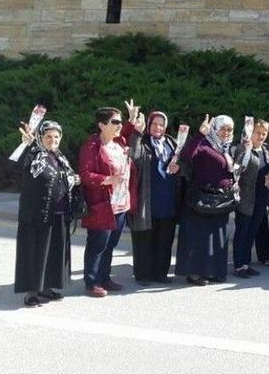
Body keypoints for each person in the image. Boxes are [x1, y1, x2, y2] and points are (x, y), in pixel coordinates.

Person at [13, 120, 78, 307]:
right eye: (48, 136)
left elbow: (65, 177)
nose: (53, 140)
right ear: (41, 137)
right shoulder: (34, 154)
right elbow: (18, 164)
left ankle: (46, 287)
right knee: (35, 253)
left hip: (58, 213)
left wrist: (74, 179)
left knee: (53, 253)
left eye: (56, 136)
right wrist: (25, 144)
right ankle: (31, 292)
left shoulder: (59, 157)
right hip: (36, 215)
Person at [79, 107, 135, 298]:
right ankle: (92, 281)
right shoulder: (92, 146)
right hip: (102, 204)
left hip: (120, 203)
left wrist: (132, 119)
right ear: (102, 125)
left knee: (110, 244)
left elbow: (127, 132)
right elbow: (85, 174)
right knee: (97, 244)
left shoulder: (118, 142)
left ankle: (104, 278)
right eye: (115, 122)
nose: (120, 126)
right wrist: (107, 179)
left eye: (120, 122)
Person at [176, 114, 235, 286]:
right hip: (201, 197)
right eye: (222, 128)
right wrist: (200, 134)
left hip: (220, 200)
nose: (226, 132)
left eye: (229, 129)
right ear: (215, 129)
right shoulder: (204, 144)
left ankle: (215, 271)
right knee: (199, 237)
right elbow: (186, 155)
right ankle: (194, 273)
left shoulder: (225, 148)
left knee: (217, 237)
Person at [127, 109, 182, 286]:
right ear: (149, 125)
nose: (158, 128)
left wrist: (179, 168)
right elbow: (133, 157)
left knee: (165, 239)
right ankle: (143, 274)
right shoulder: (142, 142)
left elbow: (186, 164)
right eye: (154, 124)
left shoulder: (173, 143)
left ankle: (161, 273)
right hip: (147, 199)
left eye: (161, 124)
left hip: (168, 200)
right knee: (144, 238)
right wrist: (136, 131)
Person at [232, 120, 269, 278]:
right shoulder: (243, 148)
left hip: (261, 198)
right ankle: (238, 266)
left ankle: (245, 263)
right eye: (258, 133)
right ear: (252, 132)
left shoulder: (265, 150)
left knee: (252, 232)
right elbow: (237, 169)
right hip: (246, 198)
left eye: (264, 133)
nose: (261, 136)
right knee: (242, 232)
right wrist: (246, 151)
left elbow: (268, 170)